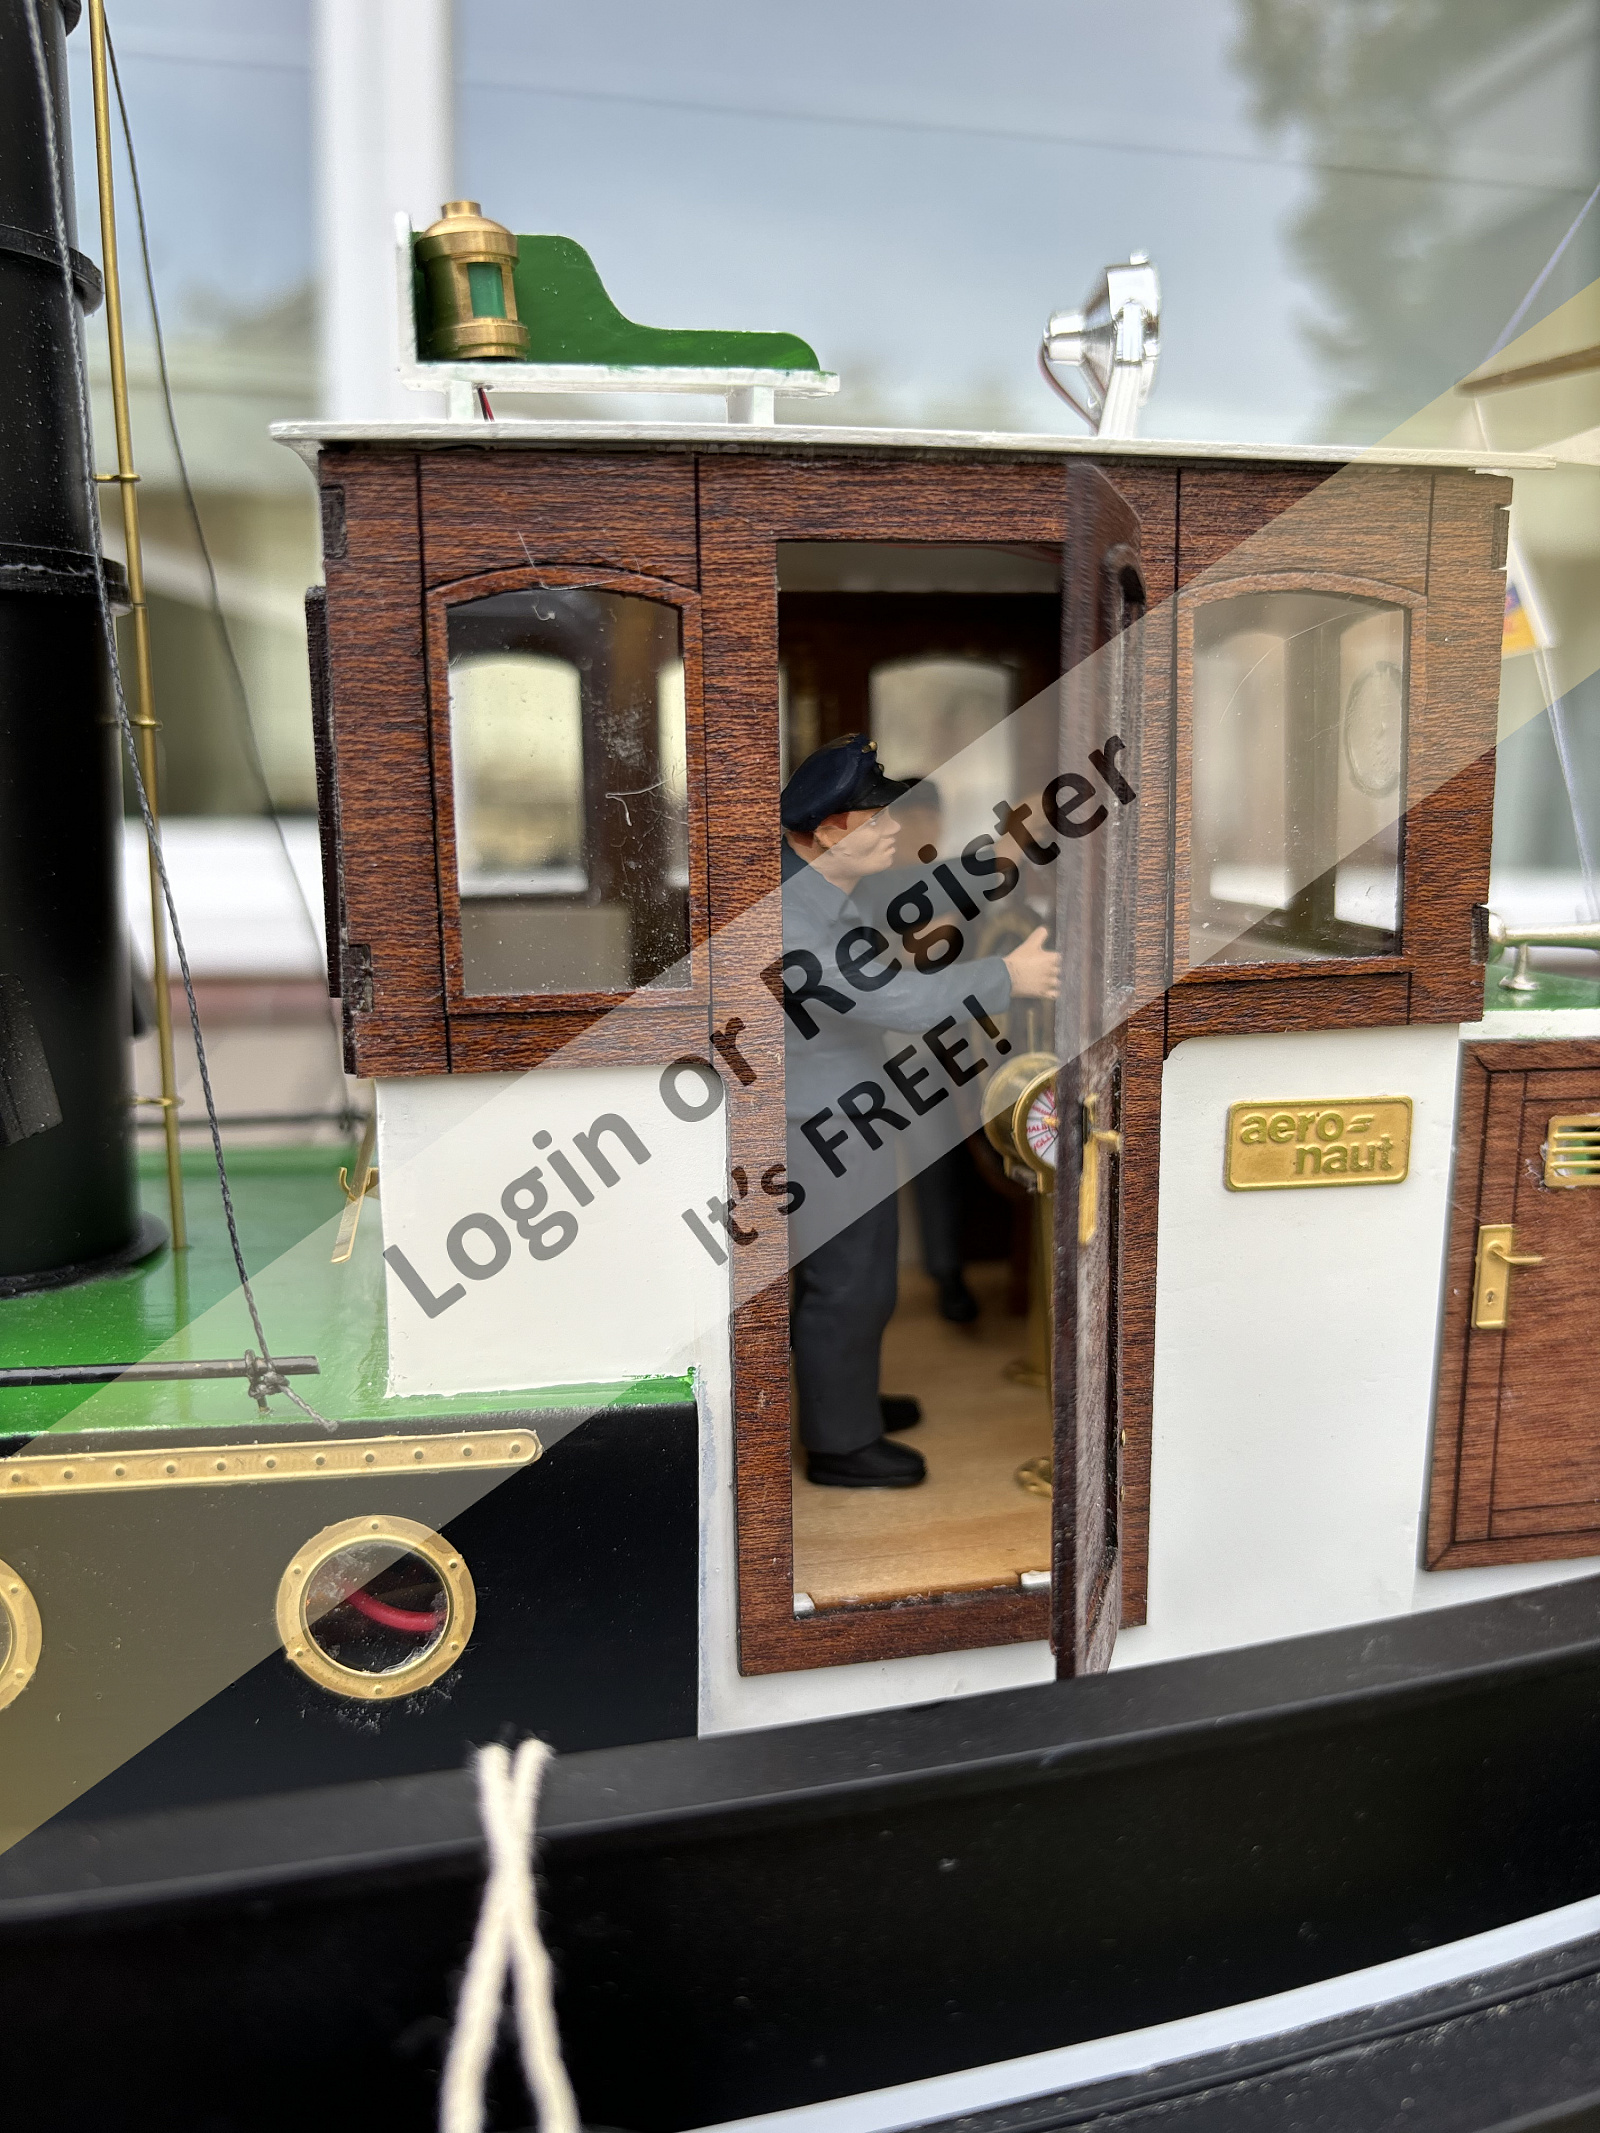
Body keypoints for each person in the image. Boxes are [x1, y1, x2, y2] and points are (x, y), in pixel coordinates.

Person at [780, 735, 1060, 1488]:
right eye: (876, 818)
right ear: (826, 831)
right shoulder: (794, 920)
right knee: (850, 1280)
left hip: (843, 1108)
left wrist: (1008, 845)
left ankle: (846, 1406)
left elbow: (919, 891)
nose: (894, 826)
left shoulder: (819, 881)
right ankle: (841, 1446)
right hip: (821, 1123)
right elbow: (895, 999)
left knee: (861, 1273)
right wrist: (1008, 976)